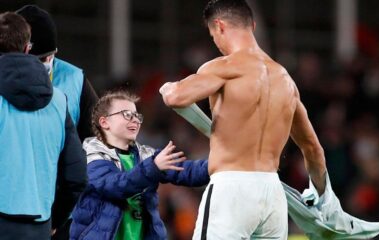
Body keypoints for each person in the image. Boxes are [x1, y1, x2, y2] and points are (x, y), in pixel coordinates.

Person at [159, 0, 326, 239]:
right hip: (273, 194)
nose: (215, 42)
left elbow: (176, 98)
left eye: (212, 35)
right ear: (253, 25)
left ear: (219, 26)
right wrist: (322, 197)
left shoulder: (224, 67)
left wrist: (167, 89)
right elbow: (313, 149)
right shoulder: (286, 81)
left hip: (232, 188)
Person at [69, 90, 209, 240]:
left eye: (137, 115)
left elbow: (187, 171)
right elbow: (116, 186)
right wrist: (153, 167)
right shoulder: (91, 155)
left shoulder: (145, 155)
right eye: (127, 115)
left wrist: (220, 164)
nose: (135, 120)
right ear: (104, 122)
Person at [0, 12, 87, 239]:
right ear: (27, 48)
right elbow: (76, 176)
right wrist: (54, 220)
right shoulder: (59, 100)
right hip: (39, 223)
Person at [16, 4, 99, 141]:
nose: (48, 61)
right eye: (39, 59)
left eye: (50, 55)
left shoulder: (75, 80)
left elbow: (99, 141)